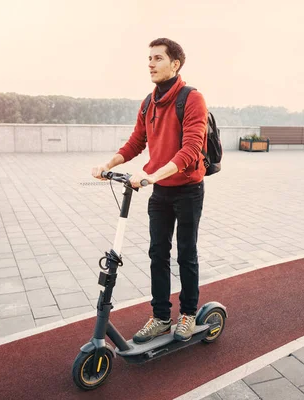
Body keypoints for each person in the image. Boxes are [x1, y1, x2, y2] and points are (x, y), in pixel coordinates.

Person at [91, 38, 208, 343]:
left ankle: (188, 314)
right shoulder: (148, 102)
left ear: (175, 64)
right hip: (160, 191)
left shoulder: (192, 99)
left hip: (188, 189)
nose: (151, 64)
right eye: (149, 59)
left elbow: (191, 150)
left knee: (186, 254)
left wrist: (152, 176)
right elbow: (135, 143)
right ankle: (160, 317)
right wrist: (108, 165)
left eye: (158, 58)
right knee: (157, 252)